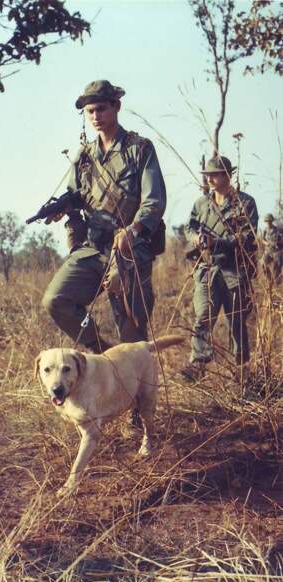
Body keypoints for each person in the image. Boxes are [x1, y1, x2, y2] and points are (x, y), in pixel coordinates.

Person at [42, 80, 167, 353]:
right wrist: (70, 222)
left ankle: (134, 385)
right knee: (56, 300)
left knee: (132, 332)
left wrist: (132, 231)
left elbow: (154, 201)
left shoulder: (139, 148)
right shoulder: (85, 156)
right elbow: (75, 200)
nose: (95, 117)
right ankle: (102, 353)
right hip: (93, 247)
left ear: (116, 107)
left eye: (101, 109)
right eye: (89, 112)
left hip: (128, 250)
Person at [181, 156, 258, 381]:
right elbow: (189, 226)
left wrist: (219, 242)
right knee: (203, 316)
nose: (210, 179)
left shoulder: (245, 202)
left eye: (214, 174)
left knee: (236, 321)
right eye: (208, 175)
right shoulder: (201, 203)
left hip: (235, 271)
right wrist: (196, 238)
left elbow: (248, 236)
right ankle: (198, 365)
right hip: (207, 270)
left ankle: (242, 370)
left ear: (227, 175)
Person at [261, 212, 283, 284]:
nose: (268, 222)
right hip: (268, 251)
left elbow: (282, 240)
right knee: (263, 264)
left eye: (269, 221)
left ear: (271, 221)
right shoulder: (264, 230)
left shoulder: (277, 229)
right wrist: (267, 243)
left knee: (276, 270)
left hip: (277, 252)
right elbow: (262, 240)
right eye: (267, 221)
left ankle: (278, 286)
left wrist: (277, 242)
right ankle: (269, 280)